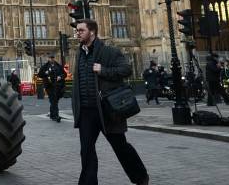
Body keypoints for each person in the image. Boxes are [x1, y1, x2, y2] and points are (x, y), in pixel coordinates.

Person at [72, 19, 148, 185]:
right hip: (86, 111)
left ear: (92, 32)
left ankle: (140, 177)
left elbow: (126, 70)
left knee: (120, 147)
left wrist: (103, 70)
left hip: (107, 110)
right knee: (86, 151)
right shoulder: (79, 54)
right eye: (77, 31)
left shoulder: (109, 52)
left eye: (81, 30)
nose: (77, 33)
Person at [39, 54, 66, 122]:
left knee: (54, 101)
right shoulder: (45, 66)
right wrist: (45, 73)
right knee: (53, 100)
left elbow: (64, 74)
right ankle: (56, 116)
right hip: (49, 86)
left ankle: (52, 114)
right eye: (50, 58)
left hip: (58, 86)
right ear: (48, 58)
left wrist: (60, 77)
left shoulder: (58, 66)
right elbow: (40, 74)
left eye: (53, 58)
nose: (52, 59)